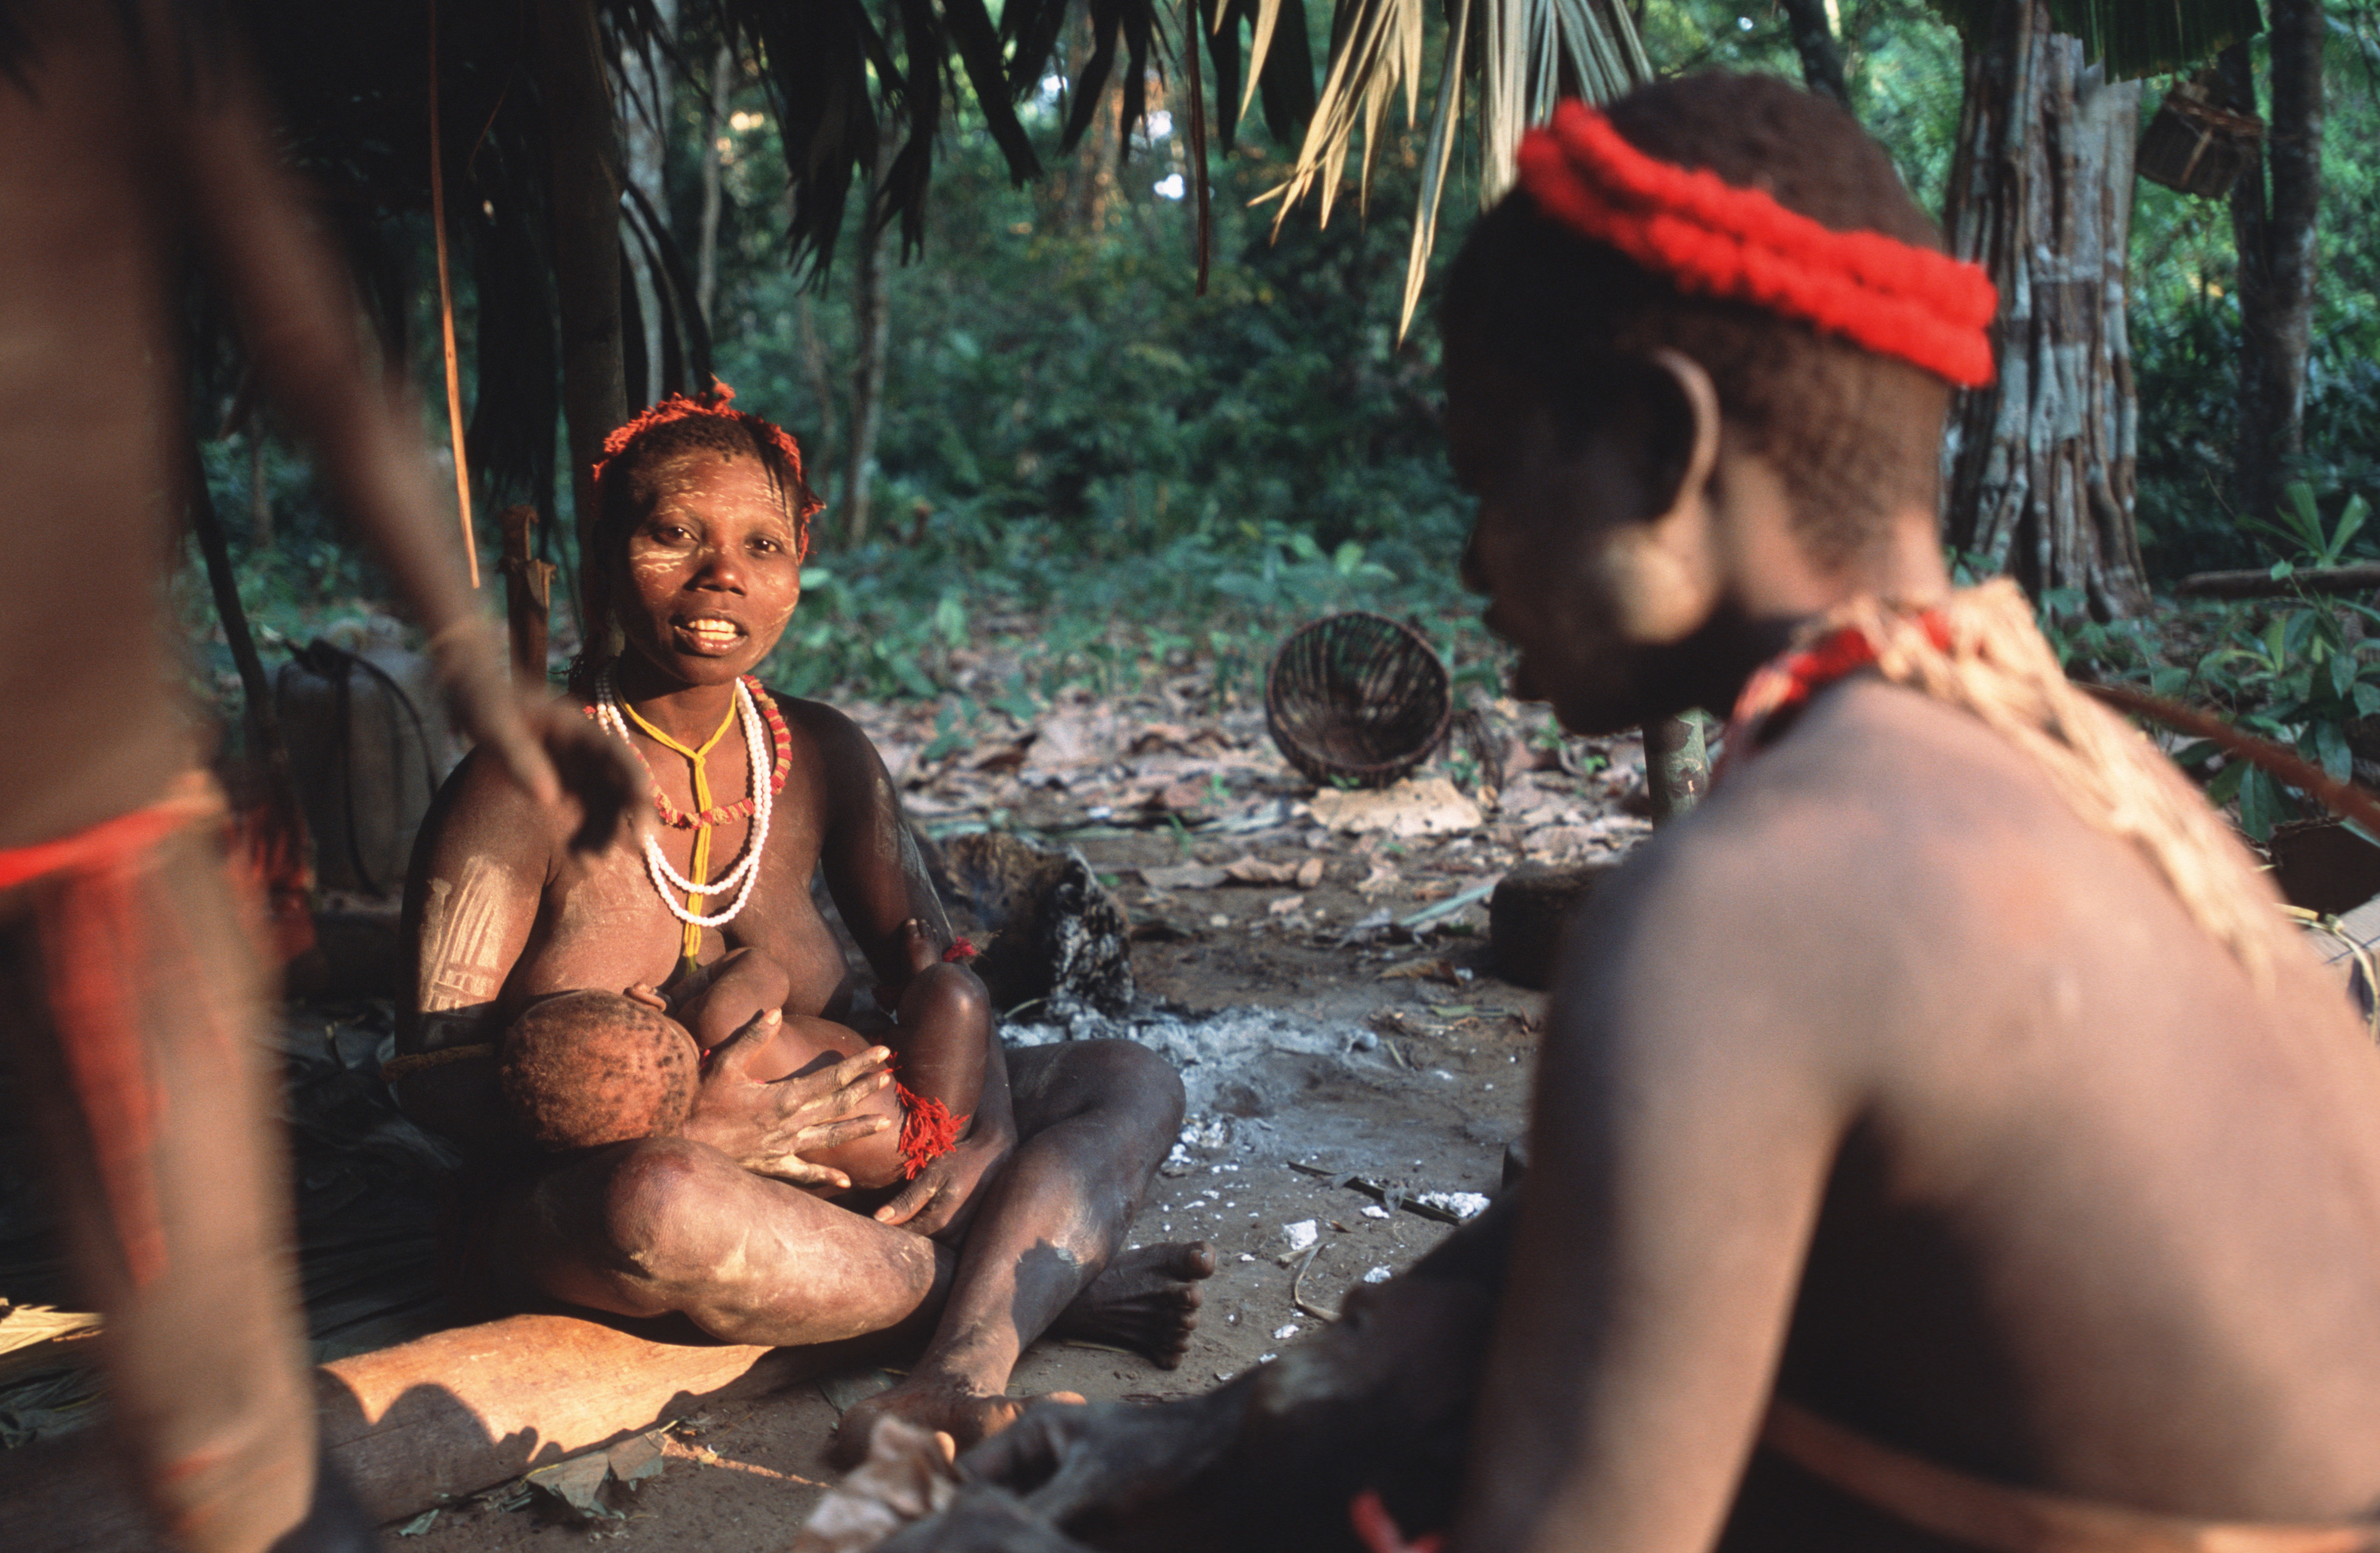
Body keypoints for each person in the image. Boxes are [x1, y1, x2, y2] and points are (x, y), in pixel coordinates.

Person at [823, 72, 2380, 1553]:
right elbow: (1549, 1249)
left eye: (1494, 475)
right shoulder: (2056, 770)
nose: (1475, 559)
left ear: (1658, 441)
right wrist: (1187, 1442)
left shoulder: (1751, 904)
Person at [0, 3, 639, 1551]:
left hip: (78, 837)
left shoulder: (121, 37)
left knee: (227, 1445)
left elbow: (321, 364)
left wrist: (485, 678)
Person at [390, 389, 1214, 1464]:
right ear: (604, 562)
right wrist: (697, 1133)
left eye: (761, 545)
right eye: (673, 533)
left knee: (1131, 1079)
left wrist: (991, 1131)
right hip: (593, 1206)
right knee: (661, 1204)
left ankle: (952, 1379)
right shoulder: (515, 786)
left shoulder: (819, 756)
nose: (719, 572)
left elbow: (937, 977)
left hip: (842, 1162)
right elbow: (426, 1075)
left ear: (794, 575)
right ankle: (1000, 1301)